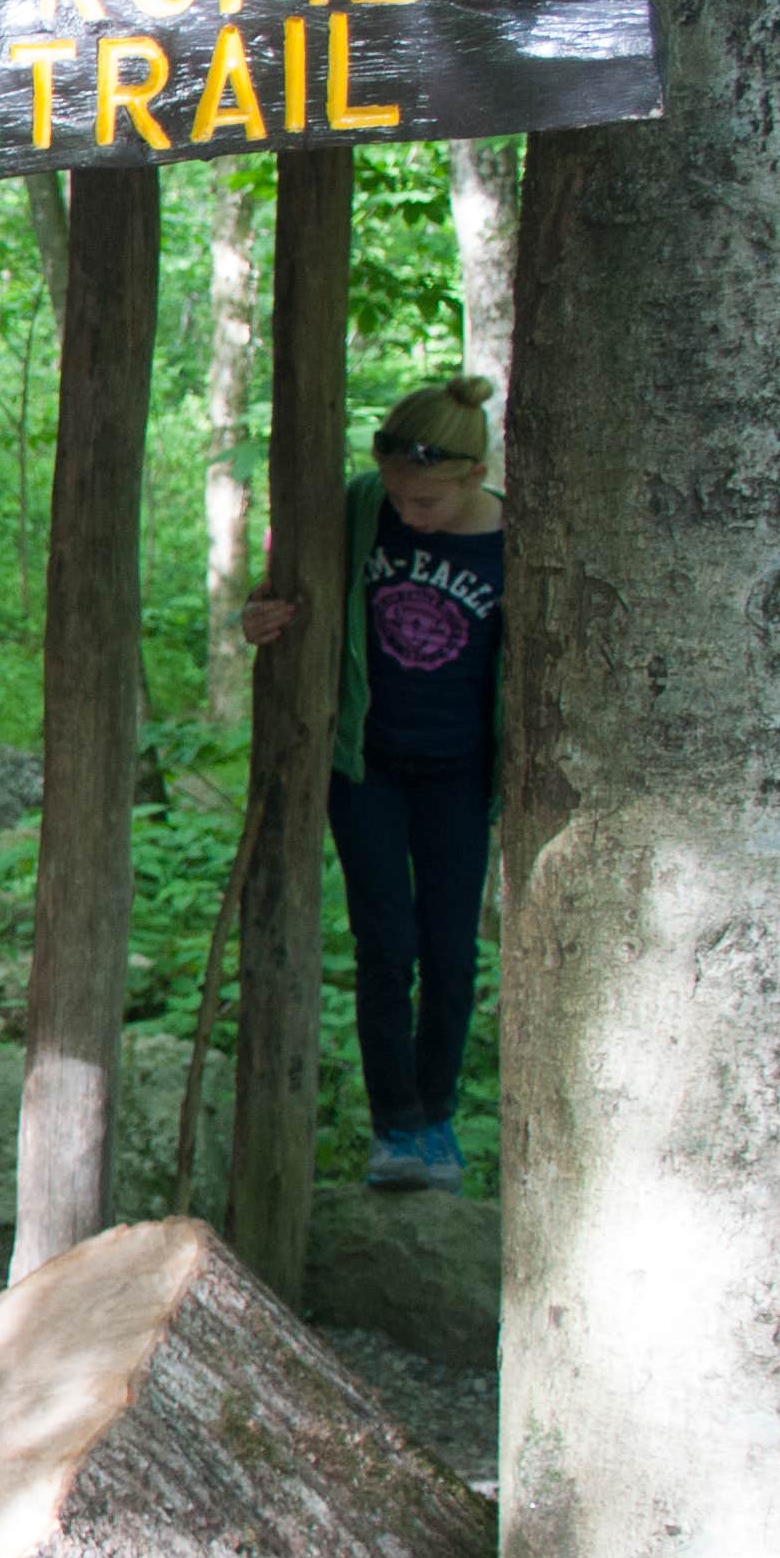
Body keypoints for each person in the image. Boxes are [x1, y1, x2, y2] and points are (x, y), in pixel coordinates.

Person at [239, 374, 503, 1192]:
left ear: (471, 475)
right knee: (386, 944)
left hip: (460, 772)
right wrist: (259, 613)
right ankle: (396, 1128)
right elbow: (288, 579)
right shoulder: (361, 505)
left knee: (451, 952)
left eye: (425, 503)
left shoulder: (515, 538)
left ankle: (437, 1115)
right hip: (368, 764)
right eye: (399, 496)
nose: (409, 514)